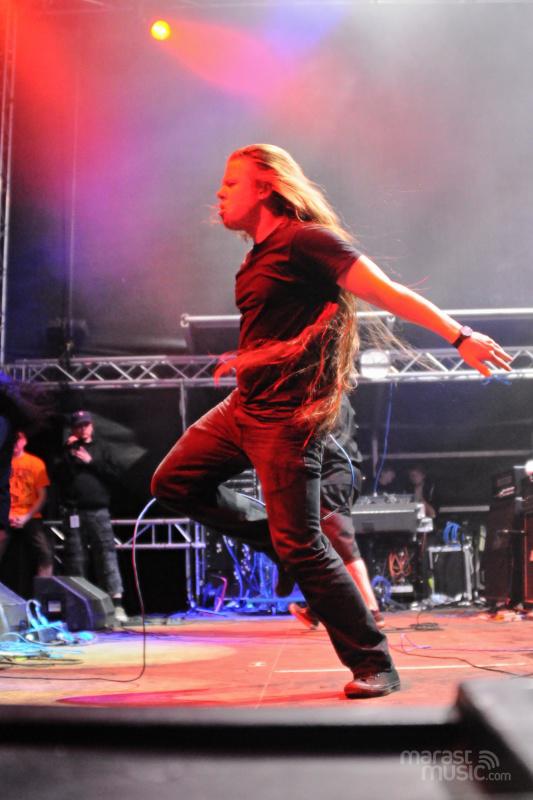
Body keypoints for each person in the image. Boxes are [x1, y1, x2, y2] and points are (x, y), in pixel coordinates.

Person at [151, 144, 510, 698]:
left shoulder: (307, 242)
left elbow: (387, 293)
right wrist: (250, 358)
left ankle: (374, 663)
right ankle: (282, 544)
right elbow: (282, 328)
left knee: (304, 544)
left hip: (286, 420)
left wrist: (459, 337)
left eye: (231, 183)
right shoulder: (256, 258)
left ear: (267, 187)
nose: (219, 194)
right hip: (244, 407)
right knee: (173, 482)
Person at [289, 393, 385, 630]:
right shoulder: (339, 396)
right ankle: (316, 610)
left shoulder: (322, 396)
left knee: (342, 542)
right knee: (325, 545)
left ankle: (372, 610)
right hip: (346, 475)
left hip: (333, 476)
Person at [57, 410, 127, 624]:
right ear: (73, 429)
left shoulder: (102, 448)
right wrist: (68, 451)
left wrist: (91, 461)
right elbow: (60, 477)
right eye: (79, 426)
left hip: (98, 510)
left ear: (92, 426)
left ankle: (116, 605)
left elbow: (115, 475)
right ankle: (80, 605)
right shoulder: (67, 451)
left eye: (86, 425)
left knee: (106, 555)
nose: (83, 429)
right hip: (74, 512)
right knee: (76, 558)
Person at [6, 431, 54, 587]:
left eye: (18, 440)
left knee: (45, 553)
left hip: (30, 516)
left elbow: (42, 495)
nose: (15, 444)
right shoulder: (3, 461)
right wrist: (7, 514)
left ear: (24, 441)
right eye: (12, 440)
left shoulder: (35, 463)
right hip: (6, 515)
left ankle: (43, 593)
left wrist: (26, 517)